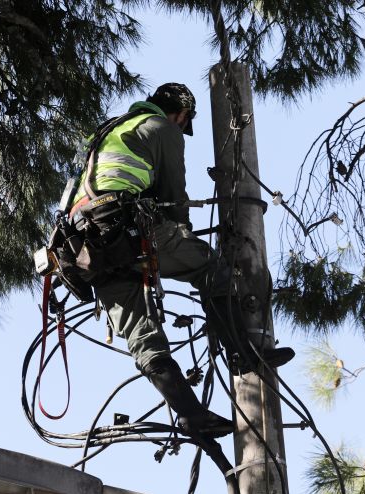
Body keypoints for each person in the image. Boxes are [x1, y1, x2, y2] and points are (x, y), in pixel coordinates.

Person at [70, 83, 293, 437]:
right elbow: (173, 197)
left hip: (88, 248)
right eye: (184, 120)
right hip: (128, 228)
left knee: (143, 338)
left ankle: (191, 415)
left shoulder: (112, 130)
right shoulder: (161, 129)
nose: (182, 125)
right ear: (180, 113)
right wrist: (184, 235)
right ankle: (243, 354)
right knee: (212, 268)